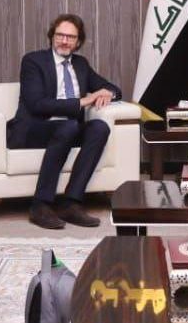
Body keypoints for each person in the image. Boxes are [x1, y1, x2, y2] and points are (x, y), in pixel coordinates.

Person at [10, 14, 119, 230]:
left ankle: (71, 202)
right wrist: (82, 102)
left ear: (78, 42)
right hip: (36, 129)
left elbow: (112, 87)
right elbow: (37, 104)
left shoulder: (80, 64)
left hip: (69, 129)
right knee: (68, 126)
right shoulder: (33, 61)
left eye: (71, 37)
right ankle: (40, 205)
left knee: (99, 127)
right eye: (60, 35)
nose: (64, 41)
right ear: (52, 37)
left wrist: (109, 92)